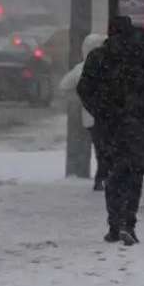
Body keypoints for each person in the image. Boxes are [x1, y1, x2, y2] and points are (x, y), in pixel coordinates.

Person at [79, 18, 144, 246]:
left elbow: (84, 89)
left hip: (108, 126)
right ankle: (129, 223)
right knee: (134, 173)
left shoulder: (98, 58)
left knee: (113, 173)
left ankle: (114, 225)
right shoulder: (141, 58)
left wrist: (100, 110)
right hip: (138, 124)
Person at [57, 33, 108, 191]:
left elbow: (64, 85)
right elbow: (64, 85)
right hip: (103, 116)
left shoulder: (82, 68)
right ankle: (103, 178)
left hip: (92, 115)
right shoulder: (105, 67)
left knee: (102, 149)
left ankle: (102, 178)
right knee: (105, 149)